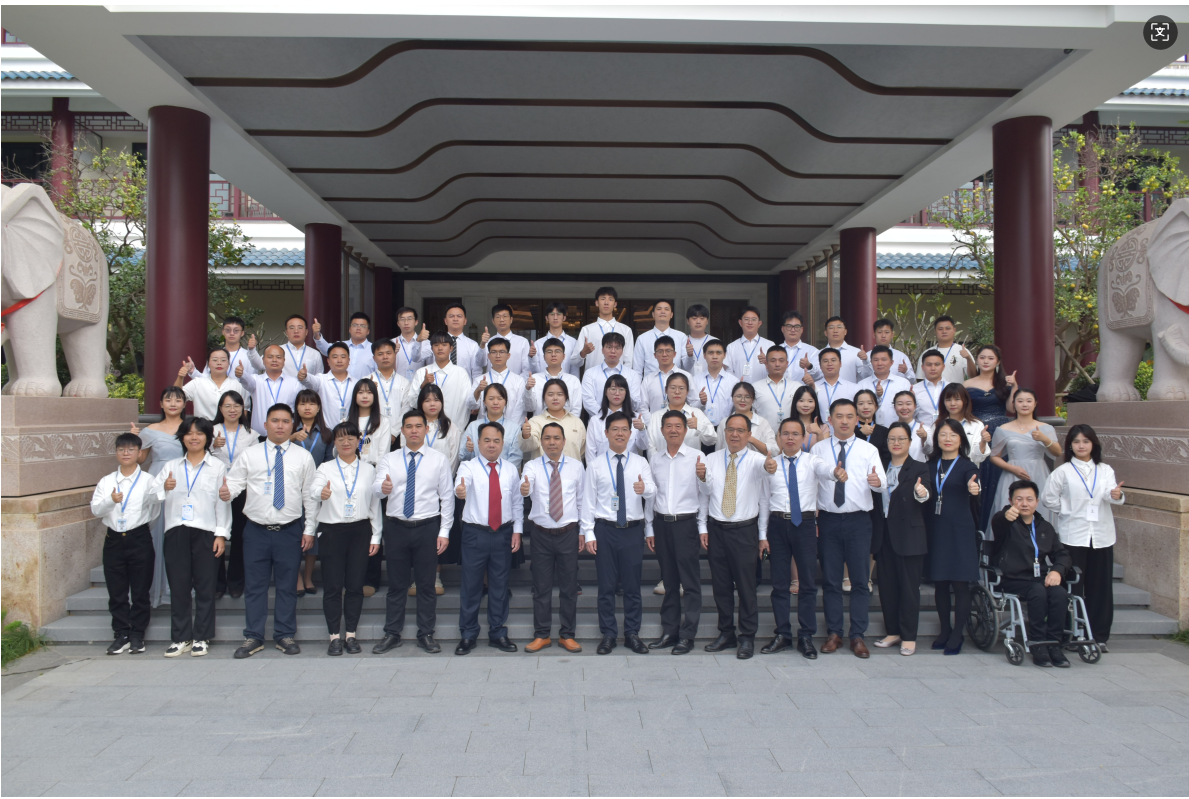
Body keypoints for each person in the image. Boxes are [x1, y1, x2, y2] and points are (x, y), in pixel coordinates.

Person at [223, 403, 318, 658]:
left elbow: (310, 497)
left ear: (292, 425)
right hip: (256, 531)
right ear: (265, 425)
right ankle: (253, 636)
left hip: (290, 530)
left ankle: (284, 634)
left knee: (287, 586)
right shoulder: (250, 454)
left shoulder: (303, 457)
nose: (280, 426)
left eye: (286, 421)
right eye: (275, 421)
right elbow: (234, 483)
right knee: (255, 586)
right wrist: (226, 492)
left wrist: (309, 529)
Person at [373, 410, 455, 654]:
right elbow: (376, 490)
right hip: (396, 527)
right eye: (409, 426)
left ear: (426, 429)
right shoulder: (389, 459)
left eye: (418, 426)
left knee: (426, 585)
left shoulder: (438, 459)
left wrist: (445, 531)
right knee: (396, 585)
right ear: (402, 431)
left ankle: (426, 634)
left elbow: (447, 497)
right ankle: (392, 633)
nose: (414, 430)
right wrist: (383, 488)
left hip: (427, 527)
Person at [811, 398, 886, 658]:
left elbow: (882, 484)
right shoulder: (818, 449)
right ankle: (834, 633)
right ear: (830, 420)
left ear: (857, 420)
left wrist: (876, 482)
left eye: (849, 416)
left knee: (860, 581)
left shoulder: (868, 449)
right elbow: (812, 481)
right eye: (839, 416)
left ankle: (857, 636)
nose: (844, 421)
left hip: (858, 521)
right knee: (831, 580)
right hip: (828, 520)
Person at [151, 416, 230, 658]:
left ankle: (202, 637)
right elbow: (152, 495)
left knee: (205, 587)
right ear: (182, 438)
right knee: (179, 587)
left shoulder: (217, 467)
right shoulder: (171, 466)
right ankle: (180, 637)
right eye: (188, 433)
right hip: (176, 530)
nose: (194, 437)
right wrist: (164, 487)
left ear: (207, 438)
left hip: (206, 532)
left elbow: (222, 502)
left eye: (199, 433)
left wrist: (221, 534)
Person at [1041, 424, 1125, 650]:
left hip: (1101, 536)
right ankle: (1071, 633)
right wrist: (1068, 510)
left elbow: (1110, 494)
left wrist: (1116, 494)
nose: (1081, 446)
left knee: (1100, 588)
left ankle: (1098, 636)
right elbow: (1048, 499)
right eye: (1076, 442)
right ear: (1070, 445)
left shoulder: (1105, 470)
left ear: (1093, 444)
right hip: (1073, 536)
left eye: (1086, 441)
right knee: (1072, 587)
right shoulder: (1063, 471)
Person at [698, 413, 771, 659]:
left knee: (746, 586)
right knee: (721, 586)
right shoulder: (711, 459)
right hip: (717, 529)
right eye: (730, 429)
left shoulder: (756, 460)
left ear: (749, 434)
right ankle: (726, 633)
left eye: (740, 430)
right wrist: (702, 527)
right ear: (724, 432)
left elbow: (765, 494)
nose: (735, 434)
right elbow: (705, 494)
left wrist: (762, 535)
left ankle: (747, 636)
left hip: (744, 531)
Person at [582, 412, 656, 655]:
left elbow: (652, 492)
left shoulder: (640, 463)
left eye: (624, 429)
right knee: (606, 586)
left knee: (633, 586)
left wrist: (645, 489)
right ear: (606, 433)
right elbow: (588, 502)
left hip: (632, 531)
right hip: (605, 530)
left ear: (631, 433)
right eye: (615, 429)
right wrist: (589, 533)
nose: (620, 433)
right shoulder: (595, 465)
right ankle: (608, 634)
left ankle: (632, 633)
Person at [309, 422, 383, 656]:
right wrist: (321, 493)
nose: (346, 442)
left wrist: (376, 535)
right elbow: (313, 490)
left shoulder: (369, 470)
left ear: (358, 441)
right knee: (332, 586)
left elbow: (375, 505)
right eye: (340, 438)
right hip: (332, 531)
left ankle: (351, 634)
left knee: (354, 585)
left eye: (351, 438)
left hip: (360, 531)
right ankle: (334, 637)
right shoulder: (325, 468)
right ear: (335, 442)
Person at [452, 422, 523, 654]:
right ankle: (468, 634)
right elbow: (461, 485)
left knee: (499, 585)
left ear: (502, 443)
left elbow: (517, 503)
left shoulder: (511, 470)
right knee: (471, 585)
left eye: (496, 441)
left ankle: (498, 632)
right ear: (478, 442)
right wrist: (460, 491)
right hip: (475, 534)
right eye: (487, 440)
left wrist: (517, 531)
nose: (491, 445)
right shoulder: (468, 466)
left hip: (503, 533)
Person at [90, 432, 161, 655]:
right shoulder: (107, 481)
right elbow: (96, 509)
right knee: (117, 591)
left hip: (139, 538)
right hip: (113, 540)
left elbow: (154, 511)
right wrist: (111, 501)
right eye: (121, 449)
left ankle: (138, 634)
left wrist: (139, 530)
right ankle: (121, 634)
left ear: (139, 453)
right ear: (116, 453)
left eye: (131, 449)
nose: (126, 453)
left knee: (140, 590)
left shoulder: (148, 480)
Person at [990, 480, 1073, 668]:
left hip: (1039, 579)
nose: (1024, 504)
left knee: (1059, 593)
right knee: (1038, 591)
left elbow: (1062, 554)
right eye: (1019, 499)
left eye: (1029, 499)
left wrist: (1057, 571)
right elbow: (998, 521)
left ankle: (1054, 643)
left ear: (1037, 501)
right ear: (1011, 501)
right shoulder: (1006, 522)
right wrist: (1005, 515)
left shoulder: (1045, 527)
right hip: (1011, 579)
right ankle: (1038, 644)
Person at [645, 410, 707, 655]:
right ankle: (669, 631)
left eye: (678, 426)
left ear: (685, 430)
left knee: (689, 582)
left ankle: (687, 635)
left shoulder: (697, 457)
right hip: (662, 525)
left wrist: (702, 526)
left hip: (686, 524)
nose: (673, 430)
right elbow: (651, 497)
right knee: (669, 581)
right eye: (668, 426)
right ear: (662, 431)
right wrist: (649, 527)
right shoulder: (655, 460)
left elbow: (705, 494)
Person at [521, 422, 586, 653]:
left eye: (556, 438)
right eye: (547, 438)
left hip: (568, 534)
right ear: (541, 442)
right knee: (541, 588)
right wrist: (525, 488)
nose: (552, 442)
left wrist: (583, 531)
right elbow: (525, 485)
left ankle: (567, 635)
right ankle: (542, 635)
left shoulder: (576, 467)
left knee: (569, 588)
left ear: (564, 441)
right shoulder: (532, 466)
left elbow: (582, 501)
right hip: (541, 535)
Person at [760, 418, 820, 659]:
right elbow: (764, 501)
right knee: (779, 583)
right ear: (778, 437)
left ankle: (806, 635)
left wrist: (837, 473)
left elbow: (827, 472)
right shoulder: (770, 465)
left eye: (795, 434)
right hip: (777, 524)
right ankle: (783, 634)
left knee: (807, 583)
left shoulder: (812, 461)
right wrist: (762, 535)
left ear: (803, 438)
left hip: (804, 524)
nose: (790, 438)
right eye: (785, 433)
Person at [924, 418, 982, 655]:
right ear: (936, 439)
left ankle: (958, 634)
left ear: (961, 440)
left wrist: (974, 489)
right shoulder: (930, 465)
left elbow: (976, 488)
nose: (947, 439)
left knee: (960, 583)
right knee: (940, 582)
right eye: (943, 435)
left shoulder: (968, 467)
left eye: (953, 435)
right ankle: (945, 630)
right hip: (936, 529)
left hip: (960, 531)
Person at [871, 421, 930, 655]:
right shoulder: (880, 466)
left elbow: (925, 492)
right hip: (884, 534)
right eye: (892, 439)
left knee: (909, 589)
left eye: (901, 439)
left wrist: (921, 493)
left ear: (910, 442)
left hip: (909, 536)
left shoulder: (919, 468)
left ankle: (909, 636)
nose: (896, 443)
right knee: (887, 587)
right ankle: (893, 632)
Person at [132, 386, 186, 608]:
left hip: (184, 481)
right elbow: (140, 460)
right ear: (161, 404)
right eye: (168, 400)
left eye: (178, 400)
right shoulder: (150, 430)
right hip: (157, 480)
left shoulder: (190, 428)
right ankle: (157, 588)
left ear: (184, 404)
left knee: (179, 532)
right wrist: (135, 440)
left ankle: (178, 587)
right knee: (158, 531)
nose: (173, 403)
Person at [965, 344, 1018, 530]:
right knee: (977, 474)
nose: (986, 361)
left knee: (997, 476)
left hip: (1001, 433)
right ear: (977, 360)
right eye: (982, 357)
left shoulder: (1005, 383)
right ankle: (977, 527)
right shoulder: (966, 385)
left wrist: (1015, 386)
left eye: (990, 358)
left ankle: (997, 527)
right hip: (976, 432)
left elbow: (1011, 409)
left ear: (998, 362)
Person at [989, 388, 1061, 516]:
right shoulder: (1003, 429)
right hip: (1012, 474)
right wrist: (1013, 468)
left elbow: (1058, 452)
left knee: (1038, 508)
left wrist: (1044, 439)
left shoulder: (1046, 428)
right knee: (1011, 510)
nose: (1024, 404)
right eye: (1020, 401)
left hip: (1038, 472)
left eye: (1029, 401)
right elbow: (994, 456)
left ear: (1035, 403)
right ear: (1014, 404)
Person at [418, 384, 461, 595]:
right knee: (418, 533)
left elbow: (453, 458)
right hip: (416, 488)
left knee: (437, 531)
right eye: (427, 400)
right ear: (420, 403)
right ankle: (417, 577)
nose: (432, 404)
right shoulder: (414, 424)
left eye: (436, 399)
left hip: (441, 488)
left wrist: (440, 482)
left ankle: (435, 576)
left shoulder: (450, 427)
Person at [211, 392, 251, 600]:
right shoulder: (210, 431)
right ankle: (217, 582)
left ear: (243, 409)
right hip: (214, 489)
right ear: (220, 409)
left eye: (236, 406)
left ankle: (236, 581)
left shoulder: (251, 434)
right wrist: (212, 446)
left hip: (242, 490)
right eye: (227, 406)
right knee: (215, 533)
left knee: (239, 536)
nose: (232, 410)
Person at [407, 331, 472, 431]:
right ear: (432, 348)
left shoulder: (461, 373)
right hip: (426, 430)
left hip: (453, 429)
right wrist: (423, 386)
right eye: (436, 345)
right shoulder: (422, 372)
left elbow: (465, 406)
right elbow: (412, 402)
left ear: (451, 348)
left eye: (444, 345)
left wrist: (456, 430)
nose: (440, 348)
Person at [239, 345, 304, 436]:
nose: (274, 360)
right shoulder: (256, 380)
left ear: (284, 361)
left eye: (278, 357)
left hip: (286, 436)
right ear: (263, 360)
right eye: (270, 357)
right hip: (258, 438)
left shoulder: (295, 383)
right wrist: (242, 374)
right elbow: (246, 381)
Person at [645, 373, 716, 455]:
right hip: (662, 462)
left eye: (681, 388)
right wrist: (659, 461)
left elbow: (712, 440)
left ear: (687, 391)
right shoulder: (655, 416)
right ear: (666, 390)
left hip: (690, 463)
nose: (677, 392)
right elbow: (650, 446)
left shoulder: (697, 413)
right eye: (673, 388)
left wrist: (699, 426)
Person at [520, 378, 586, 462]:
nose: (555, 398)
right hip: (543, 469)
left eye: (560, 394)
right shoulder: (535, 422)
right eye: (550, 394)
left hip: (571, 469)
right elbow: (527, 447)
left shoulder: (577, 422)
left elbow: (581, 452)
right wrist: (526, 435)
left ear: (566, 397)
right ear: (544, 398)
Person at [461, 384, 524, 470]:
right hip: (477, 474)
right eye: (491, 399)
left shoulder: (514, 428)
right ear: (484, 402)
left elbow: (516, 457)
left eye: (500, 399)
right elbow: (462, 457)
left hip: (504, 475)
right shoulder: (473, 426)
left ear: (505, 402)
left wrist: (500, 473)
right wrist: (468, 450)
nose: (495, 402)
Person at [585, 374, 650, 460]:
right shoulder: (595, 421)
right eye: (613, 389)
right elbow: (590, 453)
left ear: (626, 392)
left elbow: (643, 447)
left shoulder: (636, 418)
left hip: (630, 466)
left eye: (621, 389)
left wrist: (642, 429)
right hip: (602, 467)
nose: (617, 393)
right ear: (606, 392)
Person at [923, 384, 989, 466]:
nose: (952, 403)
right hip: (942, 470)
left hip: (968, 470)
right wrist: (924, 438)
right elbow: (931, 453)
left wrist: (983, 441)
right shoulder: (937, 425)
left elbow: (978, 458)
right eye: (948, 400)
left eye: (957, 399)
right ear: (943, 402)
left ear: (965, 400)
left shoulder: (976, 425)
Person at [580, 332, 643, 418]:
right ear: (602, 349)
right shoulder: (590, 373)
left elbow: (636, 404)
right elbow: (588, 402)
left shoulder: (632, 374)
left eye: (617, 348)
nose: (613, 351)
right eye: (609, 347)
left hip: (625, 421)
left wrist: (625, 387)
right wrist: (606, 416)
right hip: (599, 420)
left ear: (622, 351)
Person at [470, 337, 527, 429]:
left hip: (511, 430)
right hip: (484, 429)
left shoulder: (519, 380)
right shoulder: (479, 380)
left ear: (508, 355)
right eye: (494, 352)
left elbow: (520, 408)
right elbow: (471, 405)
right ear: (488, 356)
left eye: (502, 352)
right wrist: (478, 390)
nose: (498, 355)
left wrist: (511, 429)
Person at [574, 286, 635, 372]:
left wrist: (623, 377)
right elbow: (575, 362)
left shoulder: (626, 330)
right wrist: (583, 352)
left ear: (615, 304)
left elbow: (628, 361)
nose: (606, 302)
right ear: (597, 303)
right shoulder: (587, 330)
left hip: (618, 378)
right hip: (593, 378)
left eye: (610, 299)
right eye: (603, 299)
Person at [174, 349, 244, 421]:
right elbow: (176, 396)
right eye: (215, 360)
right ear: (208, 364)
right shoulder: (198, 383)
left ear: (229, 363)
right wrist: (180, 377)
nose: (219, 363)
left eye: (223, 360)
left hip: (229, 426)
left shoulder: (237, 385)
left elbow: (244, 410)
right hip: (203, 426)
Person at [301, 341, 356, 430]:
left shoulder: (356, 383)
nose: (339, 360)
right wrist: (305, 376)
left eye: (343, 357)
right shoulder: (321, 379)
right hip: (327, 433)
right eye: (335, 357)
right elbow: (311, 381)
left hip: (350, 432)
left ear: (349, 361)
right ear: (328, 361)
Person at [248, 313, 323, 378]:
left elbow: (319, 380)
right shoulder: (276, 350)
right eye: (292, 328)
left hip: (307, 390)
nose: (296, 331)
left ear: (306, 332)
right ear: (286, 332)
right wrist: (251, 350)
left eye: (300, 328)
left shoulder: (315, 354)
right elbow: (259, 366)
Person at [714, 382, 776, 456]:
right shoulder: (724, 422)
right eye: (739, 396)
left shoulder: (762, 423)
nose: (742, 400)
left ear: (753, 400)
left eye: (747, 397)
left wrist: (751, 439)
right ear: (732, 398)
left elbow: (774, 452)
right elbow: (718, 450)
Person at [526, 337, 582, 418]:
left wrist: (567, 424)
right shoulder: (534, 379)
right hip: (540, 424)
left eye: (557, 351)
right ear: (544, 357)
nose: (553, 355)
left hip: (566, 424)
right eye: (549, 352)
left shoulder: (573, 380)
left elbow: (576, 410)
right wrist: (528, 389)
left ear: (564, 356)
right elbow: (529, 408)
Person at [858, 345, 912, 428]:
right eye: (876, 360)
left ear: (891, 362)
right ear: (871, 362)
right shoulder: (862, 385)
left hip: (896, 429)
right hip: (869, 430)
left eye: (884, 359)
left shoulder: (903, 383)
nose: (880, 363)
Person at [189, 315, 258, 381]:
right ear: (223, 332)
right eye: (228, 330)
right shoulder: (215, 354)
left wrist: (243, 375)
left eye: (236, 330)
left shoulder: (249, 356)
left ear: (242, 333)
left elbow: (252, 382)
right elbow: (206, 379)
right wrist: (193, 372)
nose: (232, 333)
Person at [804, 348, 859, 427]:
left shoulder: (854, 388)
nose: (829, 363)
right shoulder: (812, 387)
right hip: (819, 432)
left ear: (840, 363)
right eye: (825, 361)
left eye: (833, 360)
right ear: (820, 365)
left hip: (844, 430)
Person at [634, 300, 689, 378]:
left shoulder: (681, 336)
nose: (663, 311)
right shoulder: (642, 338)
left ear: (671, 315)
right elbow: (637, 369)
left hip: (675, 381)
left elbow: (687, 366)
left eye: (666, 309)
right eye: (659, 309)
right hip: (651, 382)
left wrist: (690, 356)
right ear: (653, 314)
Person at [313, 312, 376, 380]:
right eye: (355, 325)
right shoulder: (340, 346)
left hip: (364, 386)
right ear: (349, 329)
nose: (358, 328)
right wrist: (317, 335)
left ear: (368, 331)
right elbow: (325, 349)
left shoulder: (374, 349)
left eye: (362, 326)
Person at [691, 339, 738, 430]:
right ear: (704, 355)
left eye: (719, 353)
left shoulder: (734, 382)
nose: (715, 356)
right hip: (700, 429)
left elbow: (736, 408)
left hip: (726, 429)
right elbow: (690, 407)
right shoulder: (695, 380)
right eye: (710, 353)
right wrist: (701, 403)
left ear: (724, 355)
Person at [915, 316, 976, 384]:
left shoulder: (962, 351)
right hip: (932, 390)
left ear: (954, 330)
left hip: (955, 390)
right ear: (935, 331)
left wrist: (968, 359)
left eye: (948, 328)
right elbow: (920, 378)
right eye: (940, 329)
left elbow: (973, 376)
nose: (944, 331)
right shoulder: (927, 353)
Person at [640, 335, 693, 413]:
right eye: (660, 351)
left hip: (681, 420)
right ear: (655, 355)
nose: (664, 354)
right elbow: (642, 407)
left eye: (668, 351)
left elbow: (694, 402)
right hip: (654, 420)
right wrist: (653, 420)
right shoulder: (648, 380)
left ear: (674, 354)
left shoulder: (687, 376)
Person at [348, 379, 393, 467]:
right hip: (350, 469)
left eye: (369, 392)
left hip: (374, 470)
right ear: (354, 396)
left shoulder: (383, 421)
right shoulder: (346, 421)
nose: (365, 396)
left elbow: (383, 453)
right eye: (360, 392)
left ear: (375, 396)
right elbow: (337, 451)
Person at [478, 304, 532, 377]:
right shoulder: (488, 342)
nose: (501, 320)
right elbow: (480, 363)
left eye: (505, 316)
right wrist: (482, 345)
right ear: (493, 321)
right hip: (492, 383)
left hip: (515, 383)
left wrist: (517, 382)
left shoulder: (522, 342)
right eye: (498, 317)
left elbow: (526, 369)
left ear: (511, 320)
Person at [528, 302, 580, 378]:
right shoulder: (538, 344)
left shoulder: (573, 343)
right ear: (546, 318)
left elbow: (574, 370)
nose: (555, 317)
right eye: (552, 314)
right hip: (544, 384)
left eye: (559, 314)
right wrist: (532, 357)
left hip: (566, 384)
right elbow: (535, 372)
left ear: (564, 318)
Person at [367, 339, 412, 425]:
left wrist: (396, 431)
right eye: (380, 354)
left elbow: (406, 410)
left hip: (399, 431)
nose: (385, 357)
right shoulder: (367, 381)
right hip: (373, 430)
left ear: (395, 355)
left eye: (388, 353)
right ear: (374, 358)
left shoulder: (405, 382)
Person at [752, 346, 795, 434]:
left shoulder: (796, 387)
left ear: (787, 364)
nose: (777, 364)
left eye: (781, 360)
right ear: (766, 364)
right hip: (762, 437)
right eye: (773, 360)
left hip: (790, 437)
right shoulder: (755, 387)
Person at [724, 306, 773, 380]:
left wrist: (767, 362)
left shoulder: (770, 345)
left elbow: (777, 371)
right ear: (740, 323)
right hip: (740, 386)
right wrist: (736, 384)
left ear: (759, 323)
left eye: (754, 319)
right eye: (746, 319)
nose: (750, 323)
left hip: (763, 386)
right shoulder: (731, 347)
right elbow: (728, 371)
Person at [811, 316, 865, 384]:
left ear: (845, 331)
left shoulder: (856, 352)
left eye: (839, 327)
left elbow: (865, 376)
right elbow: (815, 376)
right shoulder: (818, 353)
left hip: (850, 390)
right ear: (826, 333)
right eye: (831, 328)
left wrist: (866, 361)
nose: (835, 331)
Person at [776, 310, 820, 384]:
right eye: (789, 326)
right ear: (782, 329)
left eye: (797, 327)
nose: (793, 330)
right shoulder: (775, 351)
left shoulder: (812, 351)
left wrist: (809, 366)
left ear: (801, 330)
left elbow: (819, 376)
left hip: (802, 391)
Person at [292, 389, 332, 468]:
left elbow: (330, 460)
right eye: (303, 404)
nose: (307, 408)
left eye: (312, 404)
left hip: (319, 474)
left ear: (318, 408)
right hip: (294, 474)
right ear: (297, 407)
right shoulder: (289, 431)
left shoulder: (328, 433)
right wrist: (292, 437)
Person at [443, 303, 483, 379]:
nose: (455, 319)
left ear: (465, 321)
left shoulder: (473, 345)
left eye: (459, 316)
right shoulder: (436, 344)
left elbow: (476, 372)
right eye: (451, 316)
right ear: (445, 321)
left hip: (465, 386)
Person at [912, 349, 948, 429]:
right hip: (921, 432)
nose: (933, 368)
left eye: (937, 364)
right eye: (929, 365)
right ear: (922, 367)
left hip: (947, 432)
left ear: (943, 367)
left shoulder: (950, 388)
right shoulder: (914, 390)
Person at [392, 306, 429, 380]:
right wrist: (393, 353)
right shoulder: (391, 343)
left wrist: (418, 341)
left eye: (409, 319)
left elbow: (429, 365)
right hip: (397, 384)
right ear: (398, 323)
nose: (406, 323)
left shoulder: (426, 343)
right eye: (402, 319)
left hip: (419, 384)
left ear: (416, 322)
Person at [891, 390, 929, 463]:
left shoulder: (925, 430)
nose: (904, 408)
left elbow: (929, 451)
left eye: (908, 404)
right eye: (900, 404)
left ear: (915, 406)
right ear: (894, 407)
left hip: (918, 469)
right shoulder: (890, 430)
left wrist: (924, 438)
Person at [680, 304, 715, 376]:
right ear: (688, 321)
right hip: (687, 382)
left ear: (707, 321)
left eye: (702, 318)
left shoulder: (714, 342)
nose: (698, 322)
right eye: (694, 318)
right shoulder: (682, 341)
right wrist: (690, 355)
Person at [854, 389, 888, 458]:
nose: (866, 407)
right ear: (854, 407)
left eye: (870, 403)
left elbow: (886, 457)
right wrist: (860, 433)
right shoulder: (849, 430)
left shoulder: (884, 431)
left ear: (876, 407)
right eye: (861, 403)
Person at [791, 385, 826, 453]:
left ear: (815, 403)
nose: (806, 405)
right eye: (801, 401)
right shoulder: (786, 426)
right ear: (795, 402)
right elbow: (780, 453)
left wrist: (819, 433)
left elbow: (824, 452)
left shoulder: (823, 427)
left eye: (810, 401)